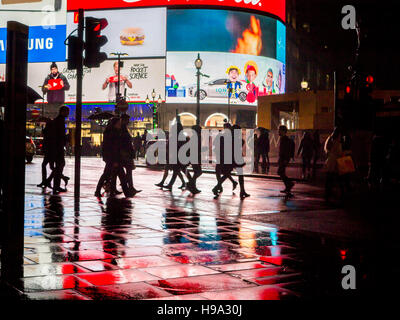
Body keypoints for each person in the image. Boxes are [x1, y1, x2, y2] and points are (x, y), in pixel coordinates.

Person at [95, 117, 130, 198]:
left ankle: (127, 193)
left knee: (118, 176)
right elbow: (112, 148)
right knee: (109, 175)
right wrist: (114, 160)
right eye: (118, 123)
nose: (120, 125)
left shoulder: (114, 132)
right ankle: (127, 193)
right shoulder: (112, 133)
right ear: (114, 124)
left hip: (114, 158)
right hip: (113, 158)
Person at [47, 106, 70, 195]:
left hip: (57, 147)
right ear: (62, 112)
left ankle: (51, 182)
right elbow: (59, 135)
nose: (68, 114)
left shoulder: (59, 120)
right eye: (67, 112)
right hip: (57, 147)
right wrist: (65, 138)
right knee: (59, 166)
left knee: (59, 166)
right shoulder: (59, 121)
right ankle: (56, 185)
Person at [120, 114, 141, 196]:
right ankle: (129, 187)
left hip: (127, 153)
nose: (128, 121)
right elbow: (125, 142)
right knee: (127, 171)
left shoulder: (124, 128)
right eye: (127, 120)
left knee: (128, 171)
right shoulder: (122, 129)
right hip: (125, 153)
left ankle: (130, 187)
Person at [324, 127, 343, 202]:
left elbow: (326, 150)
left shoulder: (329, 139)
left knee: (329, 178)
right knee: (336, 178)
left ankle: (328, 193)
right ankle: (333, 194)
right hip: (335, 162)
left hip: (329, 161)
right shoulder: (337, 142)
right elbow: (339, 153)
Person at [278, 125, 295, 194]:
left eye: (279, 130)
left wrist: (285, 159)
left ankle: (289, 184)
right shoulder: (283, 139)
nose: (278, 131)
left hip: (284, 158)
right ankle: (288, 186)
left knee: (280, 172)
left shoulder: (285, 140)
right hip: (282, 158)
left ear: (283, 131)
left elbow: (286, 150)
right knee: (281, 172)